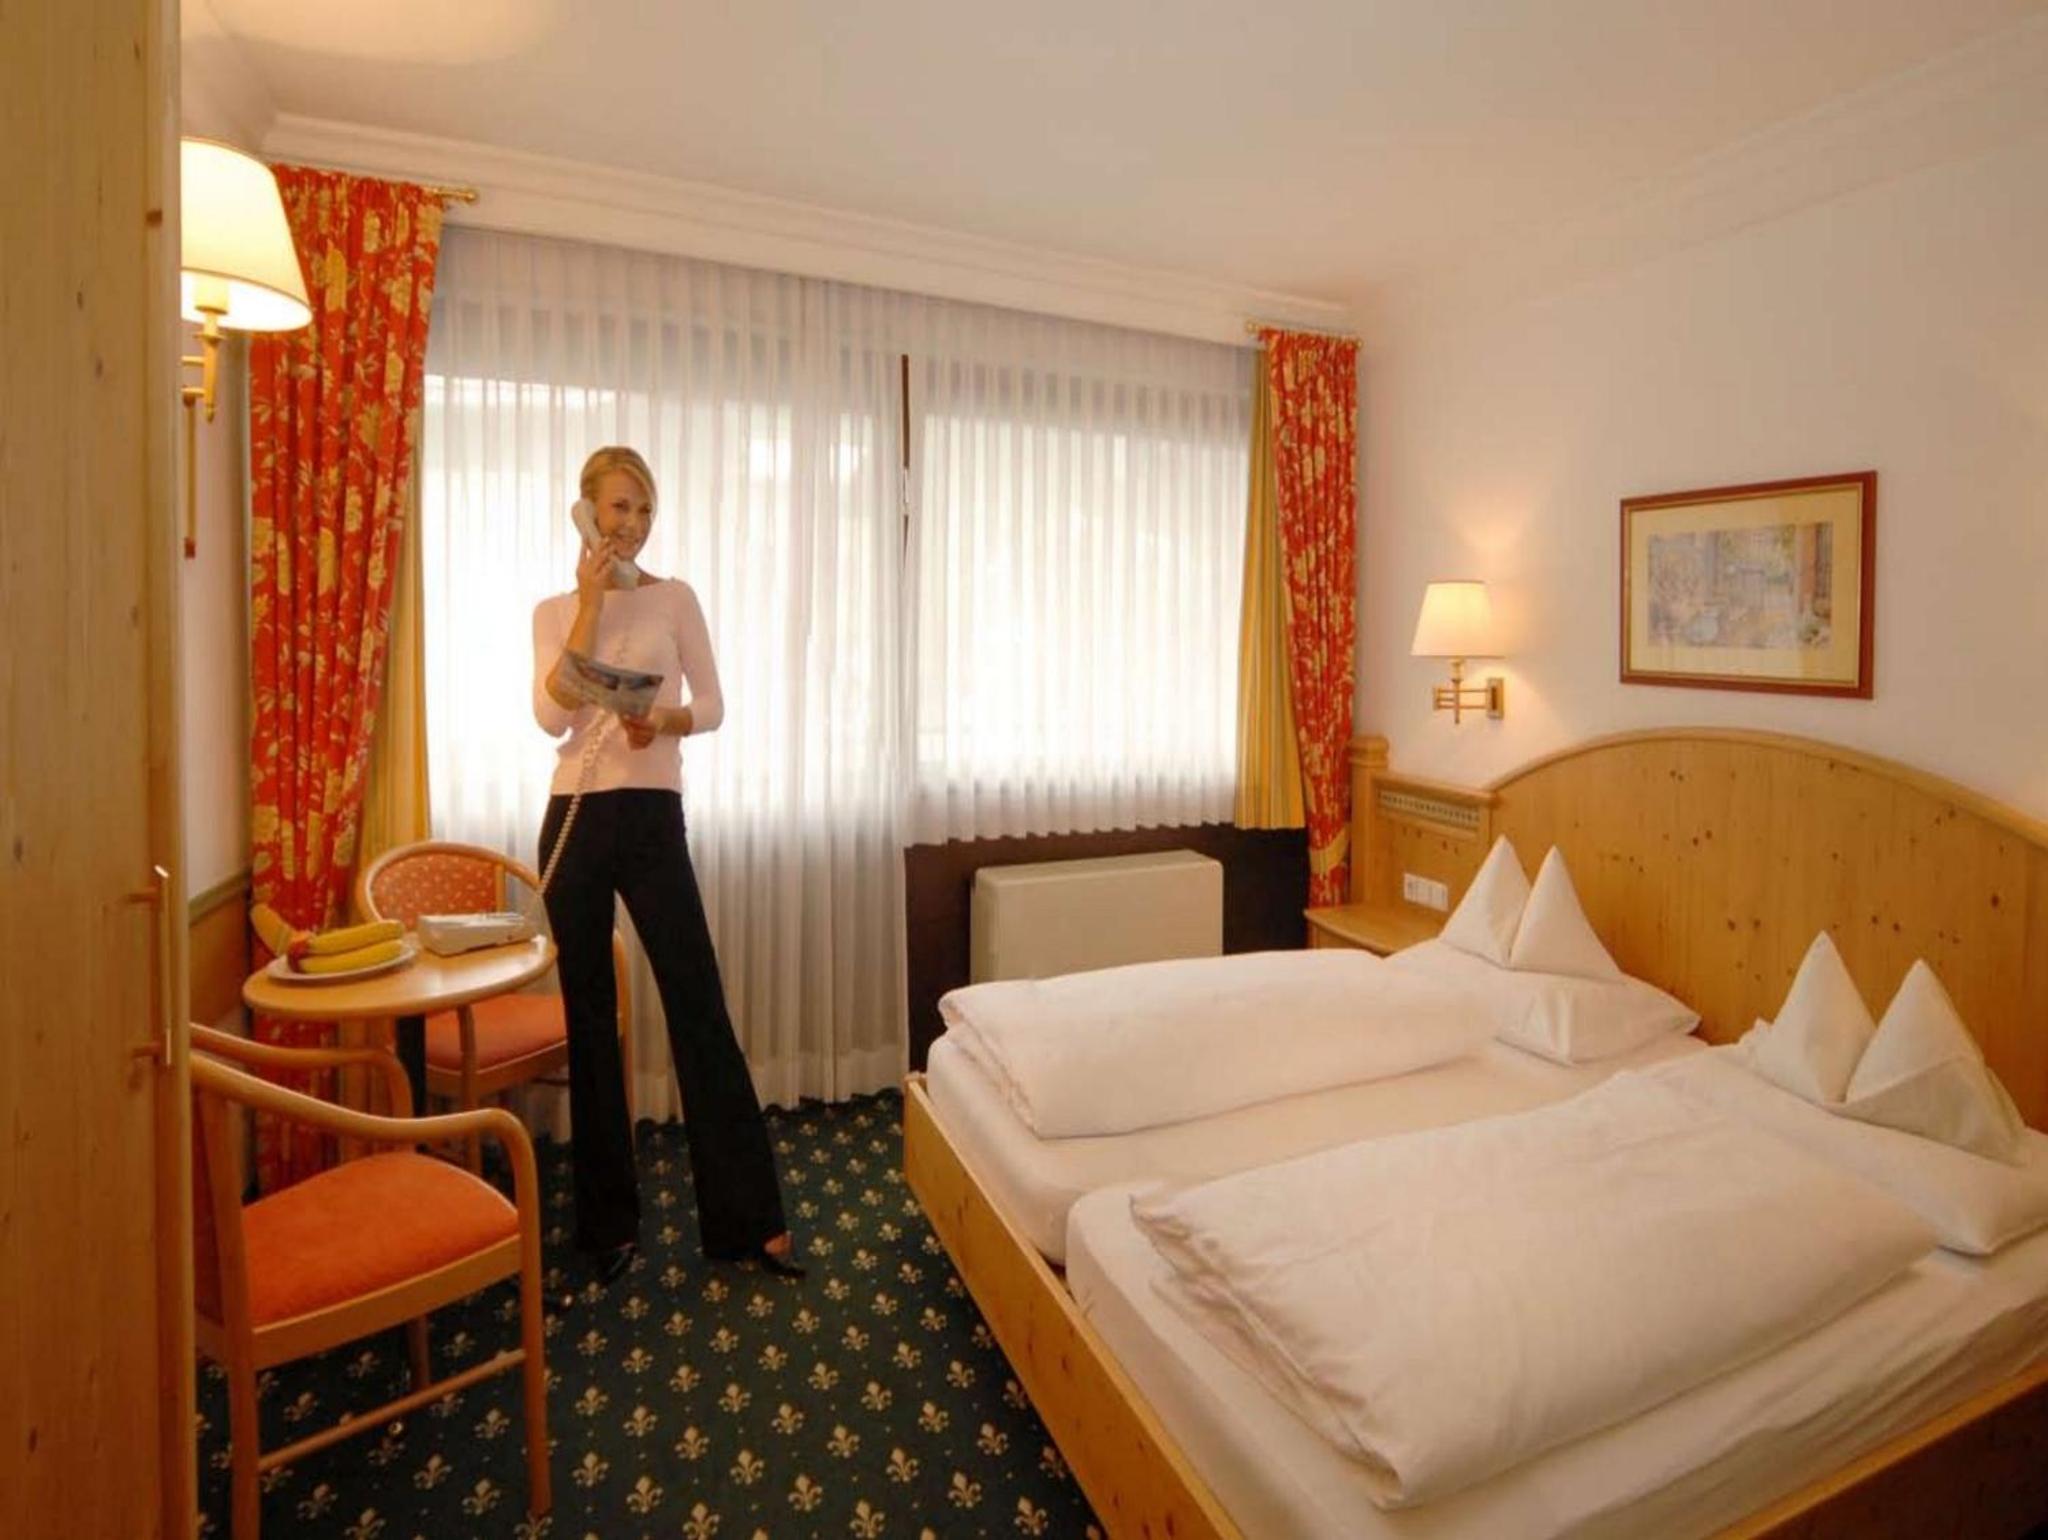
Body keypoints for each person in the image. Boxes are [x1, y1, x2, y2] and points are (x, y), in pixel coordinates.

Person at [531, 444, 800, 1285]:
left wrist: (666, 722)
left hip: (651, 816)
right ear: (587, 512)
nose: (634, 524)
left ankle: (748, 1218)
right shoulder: (553, 609)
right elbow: (550, 717)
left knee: (697, 1001)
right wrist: (588, 603)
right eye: (619, 507)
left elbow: (713, 703)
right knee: (589, 1020)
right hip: (574, 818)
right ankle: (607, 1229)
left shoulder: (676, 598)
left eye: (645, 509)